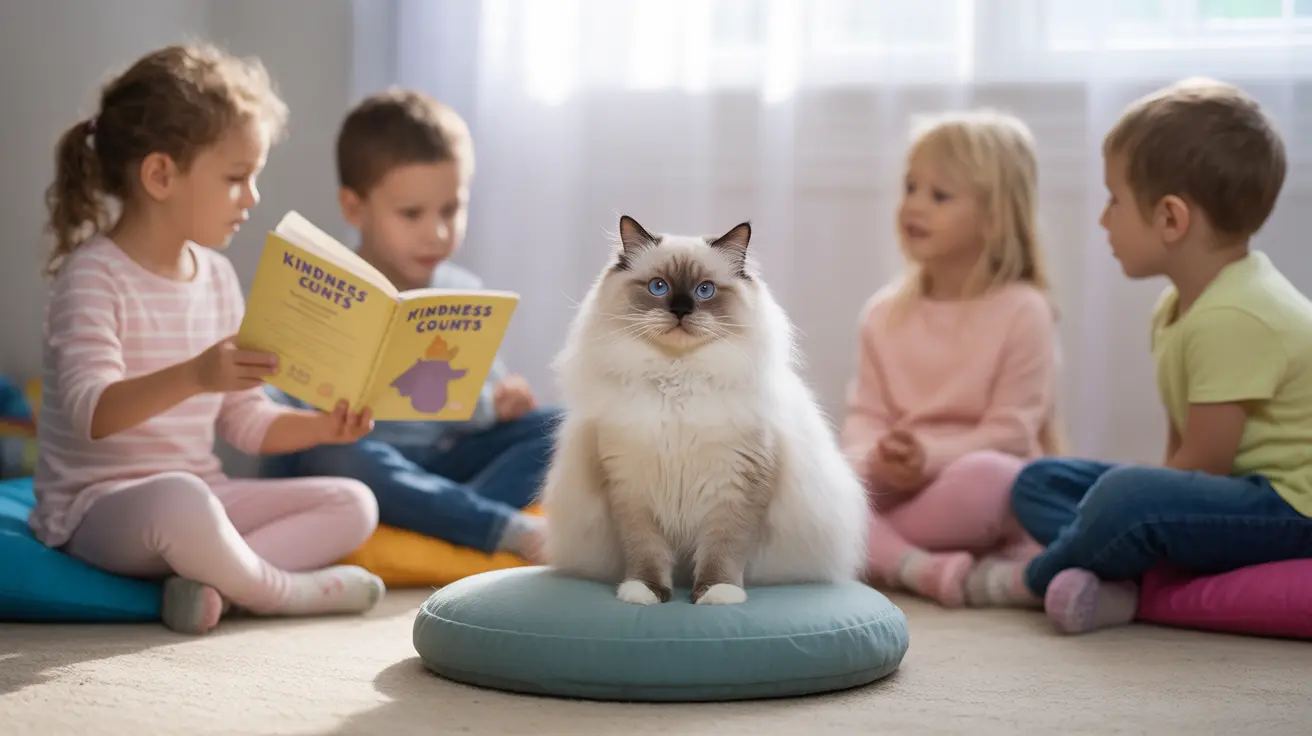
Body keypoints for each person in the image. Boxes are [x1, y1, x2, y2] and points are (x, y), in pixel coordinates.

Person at [33, 44, 387, 635]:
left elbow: (245, 419)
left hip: (200, 500)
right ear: (160, 175)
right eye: (235, 178)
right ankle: (279, 592)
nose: (252, 197)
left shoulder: (217, 277)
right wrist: (196, 375)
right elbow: (92, 412)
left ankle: (209, 585)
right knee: (182, 500)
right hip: (97, 511)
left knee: (353, 502)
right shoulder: (93, 275)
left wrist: (325, 427)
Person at [978, 78, 1312, 634]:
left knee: (1127, 497)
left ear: (1171, 219)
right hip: (1231, 493)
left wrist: (1141, 504)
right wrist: (1147, 503)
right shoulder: (1177, 308)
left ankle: (1033, 579)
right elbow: (1180, 450)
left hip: (1291, 509)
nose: (1103, 219)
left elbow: (1205, 463)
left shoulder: (1236, 316)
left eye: (1115, 200)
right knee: (1039, 481)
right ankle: (1123, 574)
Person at [261, 88, 558, 562]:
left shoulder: (462, 288)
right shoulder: (316, 291)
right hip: (359, 461)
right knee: (335, 457)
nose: (436, 232)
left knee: (563, 427)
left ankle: (443, 516)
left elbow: (475, 401)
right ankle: (487, 525)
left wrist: (504, 403)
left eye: (451, 210)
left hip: (442, 461)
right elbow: (271, 417)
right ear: (354, 208)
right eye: (411, 214)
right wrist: (316, 421)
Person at [840, 110, 1064, 607]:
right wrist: (878, 458)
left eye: (940, 195)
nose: (914, 205)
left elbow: (1011, 433)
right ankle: (921, 567)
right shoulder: (882, 314)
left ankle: (868, 548)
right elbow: (864, 418)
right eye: (910, 187)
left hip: (976, 487)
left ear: (995, 216)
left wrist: (929, 457)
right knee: (817, 480)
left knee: (991, 477)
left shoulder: (1024, 310)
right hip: (898, 489)